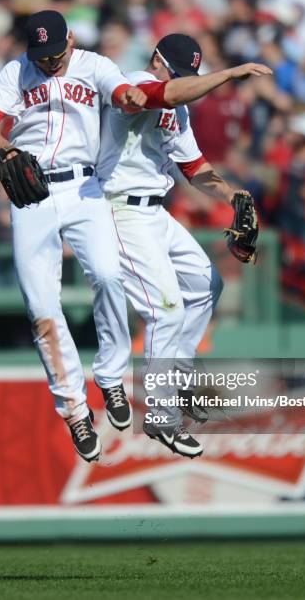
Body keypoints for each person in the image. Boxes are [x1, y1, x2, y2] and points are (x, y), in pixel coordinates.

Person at [0, 9, 152, 463]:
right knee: (41, 308)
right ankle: (74, 408)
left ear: (70, 38)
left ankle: (111, 378)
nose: (50, 63)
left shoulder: (93, 65)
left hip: (84, 186)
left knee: (111, 277)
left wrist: (131, 94)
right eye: (43, 56)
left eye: (56, 53)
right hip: (31, 189)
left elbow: (121, 92)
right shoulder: (17, 70)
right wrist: (3, 147)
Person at [97, 33, 271, 456]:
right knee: (165, 309)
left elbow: (193, 166)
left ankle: (178, 380)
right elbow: (166, 92)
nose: (185, 83)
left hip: (154, 211)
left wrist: (235, 197)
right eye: (180, 74)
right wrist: (229, 73)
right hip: (120, 208)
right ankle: (161, 415)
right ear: (158, 61)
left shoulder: (179, 108)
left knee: (205, 284)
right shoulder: (136, 80)